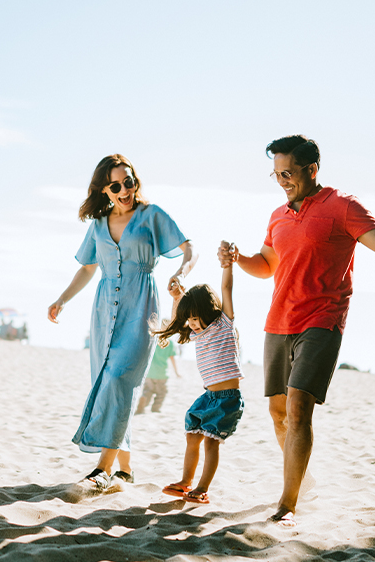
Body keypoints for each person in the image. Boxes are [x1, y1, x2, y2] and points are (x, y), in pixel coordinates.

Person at [218, 135, 375, 528]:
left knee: (298, 407)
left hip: (322, 320)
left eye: (289, 173)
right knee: (278, 412)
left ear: (312, 170)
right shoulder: (278, 216)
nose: (282, 181)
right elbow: (267, 264)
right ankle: (303, 479)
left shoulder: (343, 208)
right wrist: (239, 258)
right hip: (278, 322)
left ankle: (288, 502)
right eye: (276, 174)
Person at [48, 154, 195, 490]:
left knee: (118, 380)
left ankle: (102, 468)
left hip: (141, 309)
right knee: (109, 384)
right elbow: (87, 268)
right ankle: (125, 470)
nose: (126, 189)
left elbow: (190, 248)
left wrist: (181, 272)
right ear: (105, 189)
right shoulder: (99, 225)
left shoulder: (151, 215)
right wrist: (62, 299)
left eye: (130, 181)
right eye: (117, 185)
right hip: (104, 314)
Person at [154, 251, 243, 504]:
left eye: (195, 318)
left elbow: (226, 287)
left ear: (208, 311)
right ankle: (185, 482)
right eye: (189, 319)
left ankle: (202, 488)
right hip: (208, 396)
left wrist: (228, 265)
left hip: (227, 399)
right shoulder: (196, 333)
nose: (191, 323)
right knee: (192, 436)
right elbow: (178, 320)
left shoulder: (224, 324)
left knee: (211, 444)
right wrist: (177, 297)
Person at [135, 338, 181, 414]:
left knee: (147, 390)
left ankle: (144, 401)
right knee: (161, 393)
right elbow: (172, 358)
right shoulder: (170, 343)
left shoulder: (153, 340)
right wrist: (176, 372)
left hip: (149, 372)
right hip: (162, 373)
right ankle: (155, 408)